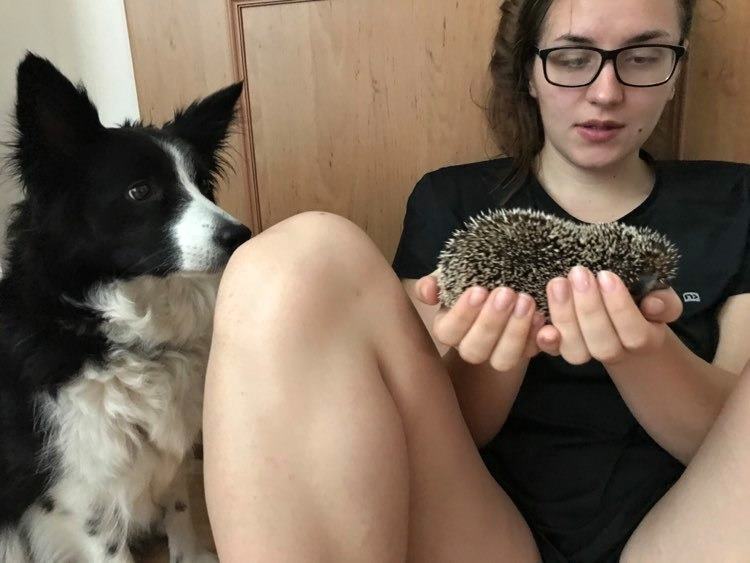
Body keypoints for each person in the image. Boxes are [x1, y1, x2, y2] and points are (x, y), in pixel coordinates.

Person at [202, 0, 750, 561]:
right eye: (572, 58)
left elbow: (733, 448)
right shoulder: (450, 200)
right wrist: (495, 356)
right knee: (295, 258)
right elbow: (428, 429)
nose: (606, 92)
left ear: (675, 69)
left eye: (643, 56)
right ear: (529, 71)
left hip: (690, 534)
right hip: (482, 535)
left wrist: (640, 352)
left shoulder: (738, 201)